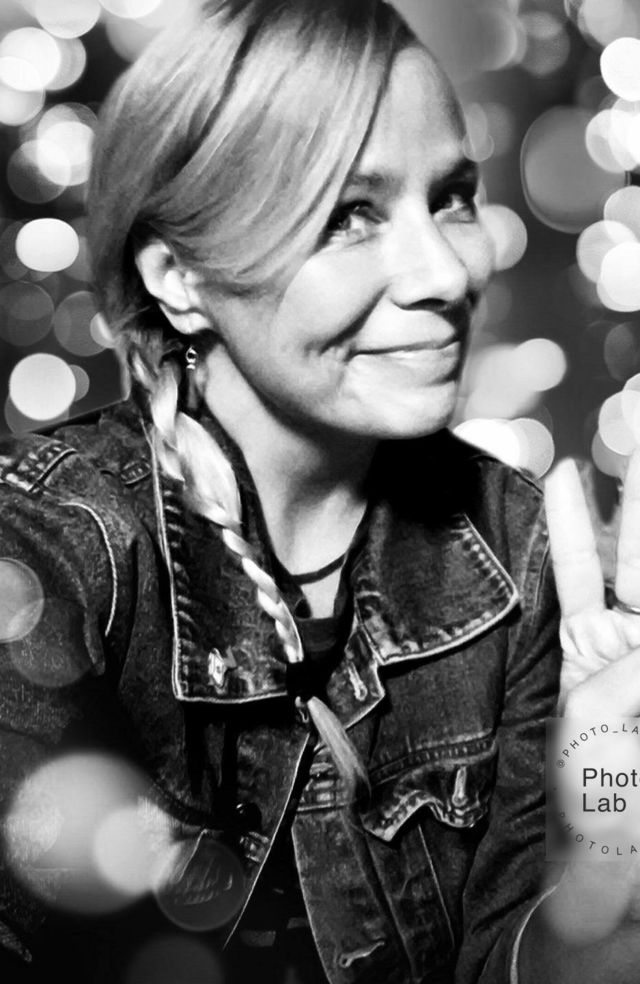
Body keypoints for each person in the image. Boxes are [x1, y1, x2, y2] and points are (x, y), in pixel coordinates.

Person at [1, 1, 640, 982]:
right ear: (179, 275)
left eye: (454, 197)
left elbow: (515, 962)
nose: (446, 273)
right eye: (350, 215)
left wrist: (604, 838)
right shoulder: (52, 550)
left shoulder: (517, 551)